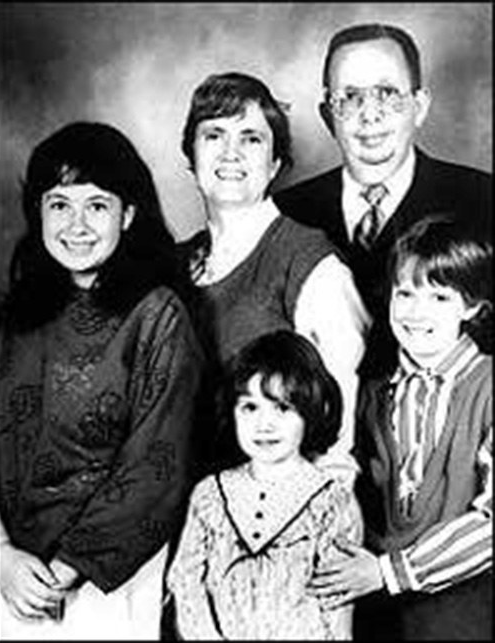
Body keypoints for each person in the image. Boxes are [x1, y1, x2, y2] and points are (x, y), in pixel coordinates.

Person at [0, 121, 204, 640]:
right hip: (9, 575)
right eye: (59, 204)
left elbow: (157, 466)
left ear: (127, 215)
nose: (77, 225)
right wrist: (1, 556)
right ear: (38, 213)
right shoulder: (13, 319)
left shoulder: (158, 316)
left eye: (97, 205)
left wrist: (62, 574)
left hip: (106, 583)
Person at [307, 217, 492, 640]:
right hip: (382, 620)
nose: (416, 312)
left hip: (471, 619)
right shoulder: (371, 395)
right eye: (405, 293)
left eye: (440, 297)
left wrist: (389, 571)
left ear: (472, 307)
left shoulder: (487, 387)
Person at [177, 71, 370, 477]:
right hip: (182, 497)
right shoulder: (175, 264)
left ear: (274, 164)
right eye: (214, 135)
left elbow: (339, 427)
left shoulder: (310, 262)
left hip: (270, 499)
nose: (231, 153)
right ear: (192, 158)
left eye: (251, 139)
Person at [274, 22, 492, 379]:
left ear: (419, 106)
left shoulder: (482, 200)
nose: (369, 114)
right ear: (328, 115)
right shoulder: (285, 213)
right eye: (349, 97)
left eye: (388, 93)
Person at [164, 330, 363, 640]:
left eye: (282, 408)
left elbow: (337, 614)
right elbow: (187, 586)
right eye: (250, 407)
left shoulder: (331, 502)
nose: (264, 424)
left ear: (310, 410)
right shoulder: (210, 496)